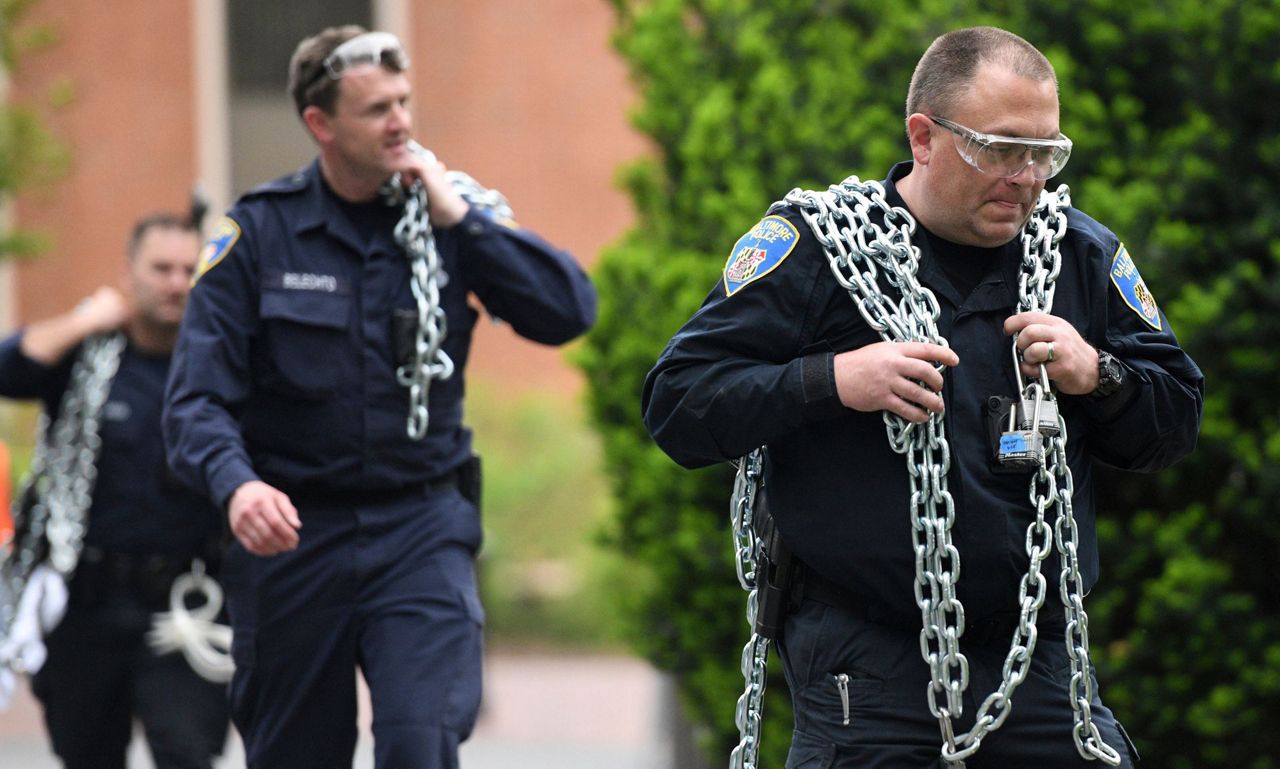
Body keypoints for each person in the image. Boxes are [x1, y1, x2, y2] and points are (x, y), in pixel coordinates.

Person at [642, 26, 1203, 769]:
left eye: (1045, 153)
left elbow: (1175, 419)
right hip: (866, 674)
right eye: (1000, 149)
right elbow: (678, 401)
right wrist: (835, 380)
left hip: (1035, 664)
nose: (1026, 177)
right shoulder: (817, 250)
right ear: (924, 138)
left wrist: (1098, 372)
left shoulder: (1079, 254)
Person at [163, 25, 597, 769]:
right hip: (295, 536)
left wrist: (464, 221)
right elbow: (194, 401)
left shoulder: (446, 217)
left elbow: (567, 310)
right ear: (320, 124)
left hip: (419, 527)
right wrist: (238, 488)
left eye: (403, 102)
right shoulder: (259, 234)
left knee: (419, 740)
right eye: (376, 109)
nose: (400, 122)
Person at [0, 213, 229, 769]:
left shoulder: (218, 362)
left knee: (187, 754)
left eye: (188, 270)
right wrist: (86, 320)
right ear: (129, 273)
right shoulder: (88, 358)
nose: (176, 283)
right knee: (87, 755)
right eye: (161, 269)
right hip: (88, 603)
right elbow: (9, 371)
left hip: (186, 602)